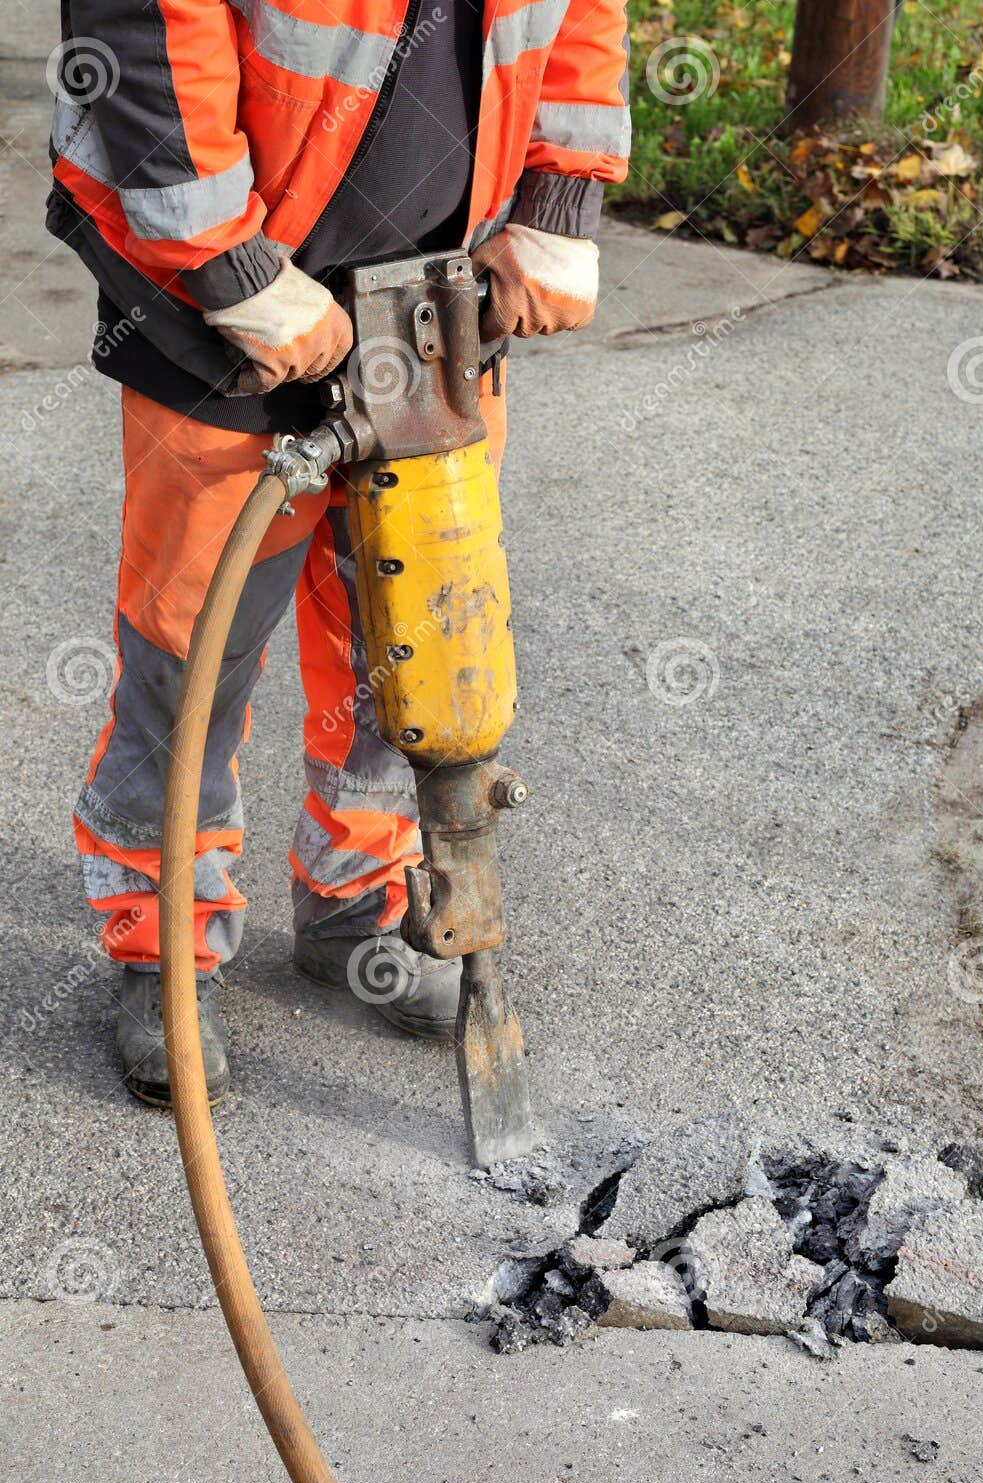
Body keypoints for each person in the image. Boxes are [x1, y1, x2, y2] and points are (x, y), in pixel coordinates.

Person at [47, 1, 630, 1105]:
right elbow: (137, 32)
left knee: (408, 636)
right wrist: (228, 269)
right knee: (194, 653)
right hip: (218, 305)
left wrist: (557, 198)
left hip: (435, 297)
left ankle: (355, 898)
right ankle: (161, 941)